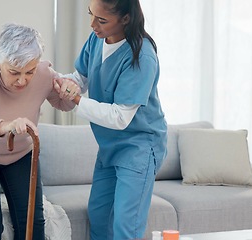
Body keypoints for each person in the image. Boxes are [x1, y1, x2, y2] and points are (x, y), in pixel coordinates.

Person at [0, 23, 80, 240]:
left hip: (20, 155)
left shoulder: (44, 73)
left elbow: (63, 104)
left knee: (32, 224)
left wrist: (69, 92)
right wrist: (4, 126)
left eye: (29, 72)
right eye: (14, 72)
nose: (22, 80)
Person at [56, 0, 168, 239]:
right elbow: (81, 77)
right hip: (109, 146)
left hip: (138, 147)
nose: (93, 24)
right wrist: (59, 82)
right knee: (98, 215)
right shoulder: (97, 38)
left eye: (102, 20)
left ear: (125, 19)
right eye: (91, 15)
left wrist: (76, 100)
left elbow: (120, 117)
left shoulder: (142, 55)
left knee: (125, 227)